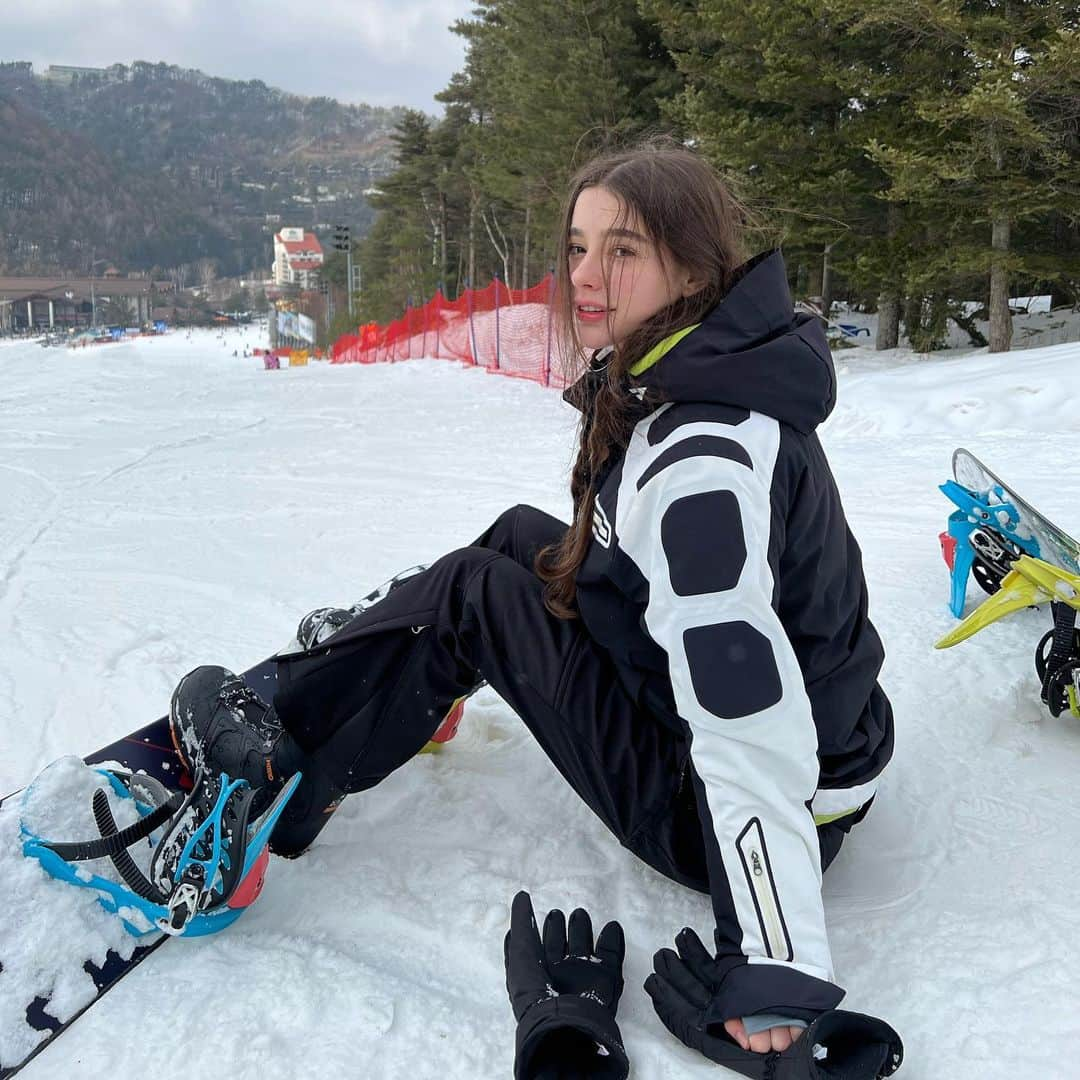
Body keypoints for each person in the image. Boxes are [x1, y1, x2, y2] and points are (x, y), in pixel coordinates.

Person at [168, 140, 897, 1074]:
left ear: (693, 263)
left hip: (732, 808)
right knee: (526, 538)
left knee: (477, 598)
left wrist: (774, 968)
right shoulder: (721, 364)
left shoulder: (702, 467)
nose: (587, 277)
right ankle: (381, 657)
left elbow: (744, 710)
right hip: (834, 746)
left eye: (623, 250)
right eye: (579, 246)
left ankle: (283, 769)